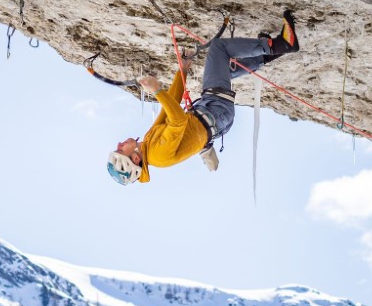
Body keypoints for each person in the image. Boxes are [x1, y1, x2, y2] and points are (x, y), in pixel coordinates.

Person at [107, 10, 300, 185]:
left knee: (222, 69)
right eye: (120, 149)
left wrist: (183, 69)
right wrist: (157, 91)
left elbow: (171, 106)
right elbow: (178, 121)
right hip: (216, 112)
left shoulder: (148, 144)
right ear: (135, 159)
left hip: (212, 114)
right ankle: (280, 44)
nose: (119, 144)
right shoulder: (158, 155)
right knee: (219, 48)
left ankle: (264, 54)